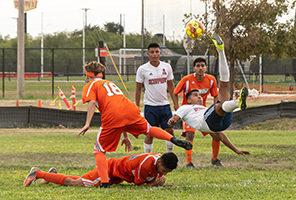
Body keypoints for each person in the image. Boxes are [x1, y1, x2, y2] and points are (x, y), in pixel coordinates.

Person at [78, 61, 192, 188]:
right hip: (130, 111)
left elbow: (92, 102)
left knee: (99, 150)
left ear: (87, 76)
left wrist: (87, 123)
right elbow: (120, 108)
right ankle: (172, 138)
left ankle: (105, 183)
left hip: (113, 116)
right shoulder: (110, 83)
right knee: (149, 129)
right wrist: (125, 136)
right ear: (101, 74)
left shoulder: (90, 85)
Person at [168, 35, 251, 160]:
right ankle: (236, 103)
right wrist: (173, 120)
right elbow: (175, 117)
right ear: (189, 99)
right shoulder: (185, 107)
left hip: (221, 123)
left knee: (224, 85)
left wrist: (236, 150)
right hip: (206, 121)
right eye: (196, 95)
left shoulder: (207, 90)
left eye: (200, 95)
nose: (200, 97)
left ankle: (221, 50)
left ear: (206, 67)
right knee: (219, 105)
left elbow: (221, 135)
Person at [173, 57, 222, 169]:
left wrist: (215, 109)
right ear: (194, 68)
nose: (200, 68)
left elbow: (215, 95)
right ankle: (189, 163)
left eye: (202, 66)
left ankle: (215, 159)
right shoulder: (186, 79)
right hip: (188, 113)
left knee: (216, 135)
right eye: (198, 66)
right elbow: (175, 92)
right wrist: (176, 106)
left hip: (203, 112)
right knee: (190, 135)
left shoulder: (211, 80)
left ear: (206, 68)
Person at [23, 152, 178, 187]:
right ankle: (37, 173)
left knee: (81, 179)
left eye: (166, 172)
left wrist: (159, 181)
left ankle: (51, 175)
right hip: (109, 169)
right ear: (158, 161)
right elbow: (139, 184)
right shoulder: (146, 165)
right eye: (162, 170)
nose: (162, 173)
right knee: (75, 183)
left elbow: (153, 178)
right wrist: (157, 184)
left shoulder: (160, 160)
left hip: (116, 173)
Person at [135, 43, 178, 153]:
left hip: (165, 106)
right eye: (152, 52)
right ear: (148, 54)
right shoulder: (142, 69)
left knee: (170, 131)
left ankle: (169, 155)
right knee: (150, 133)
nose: (154, 54)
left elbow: (171, 86)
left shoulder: (166, 67)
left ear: (160, 53)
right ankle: (147, 156)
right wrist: (136, 106)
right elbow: (138, 89)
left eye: (157, 52)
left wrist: (175, 103)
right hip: (150, 106)